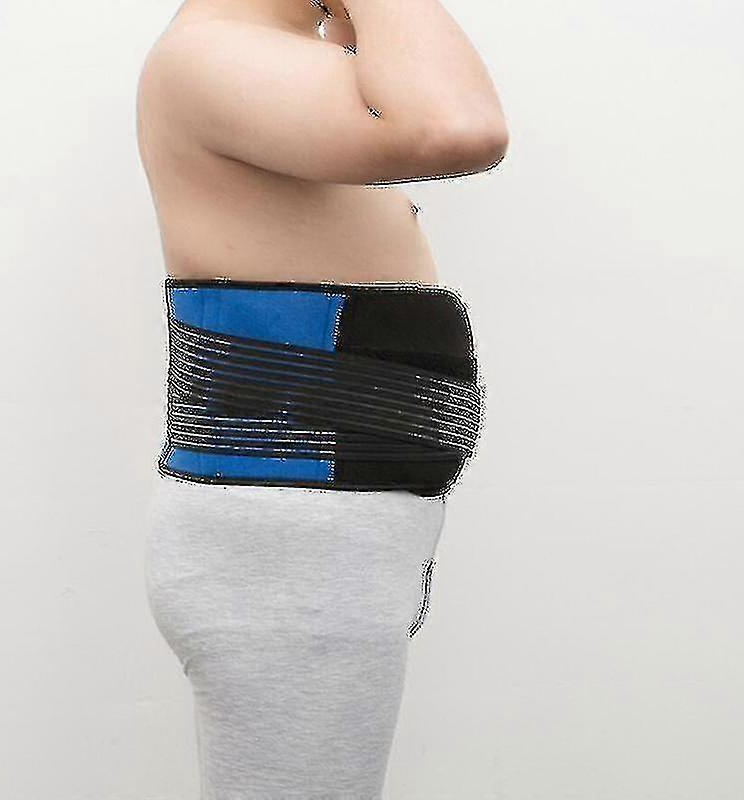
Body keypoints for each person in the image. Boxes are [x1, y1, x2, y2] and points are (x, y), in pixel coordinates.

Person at [136, 0, 508, 796]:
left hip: (311, 534)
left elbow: (420, 99)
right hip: (290, 542)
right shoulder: (210, 57)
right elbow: (458, 126)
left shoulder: (245, 60)